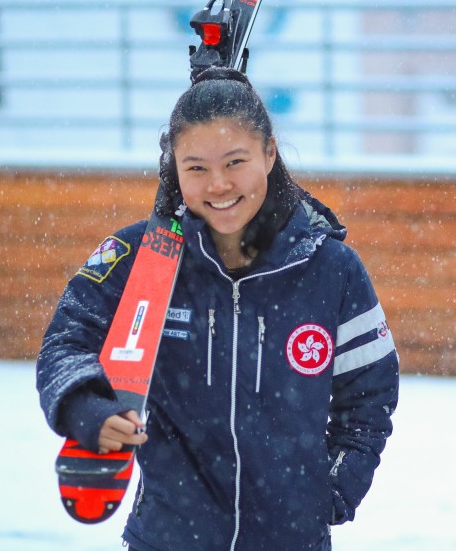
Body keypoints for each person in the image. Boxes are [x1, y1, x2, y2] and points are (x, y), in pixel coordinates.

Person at [37, 66, 399, 551]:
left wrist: (330, 490)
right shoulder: (137, 258)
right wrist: (88, 410)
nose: (219, 185)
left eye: (235, 162)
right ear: (174, 169)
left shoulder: (331, 268)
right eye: (197, 168)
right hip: (166, 537)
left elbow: (369, 395)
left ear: (269, 152)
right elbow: (66, 342)